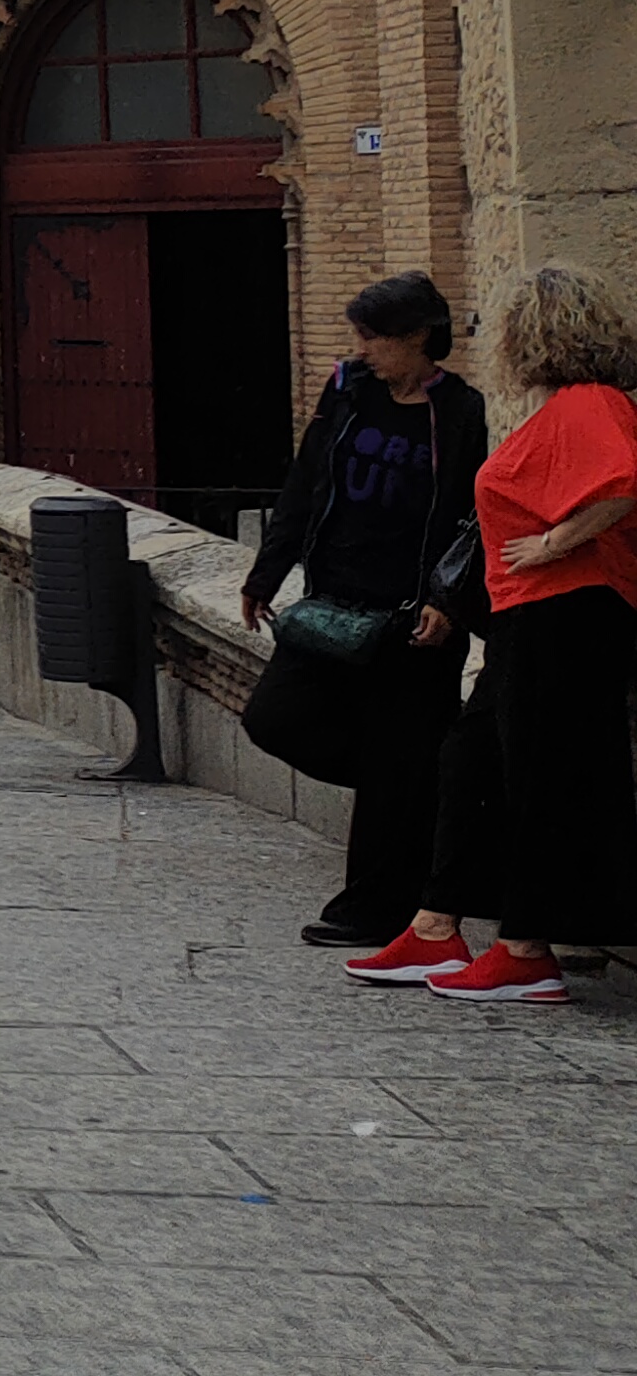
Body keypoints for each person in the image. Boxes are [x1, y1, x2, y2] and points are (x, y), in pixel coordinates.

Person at [348, 265, 637, 1003]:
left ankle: (526, 947)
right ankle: (437, 924)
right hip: (531, 616)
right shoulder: (566, 407)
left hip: (567, 611)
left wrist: (554, 543)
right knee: (470, 761)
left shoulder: (589, 404)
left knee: (539, 775)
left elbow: (625, 482)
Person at [241, 273, 483, 947]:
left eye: (375, 337)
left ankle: (373, 912)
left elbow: (474, 518)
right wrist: (268, 570)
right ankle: (422, 801)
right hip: (333, 602)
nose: (363, 349)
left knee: (401, 759)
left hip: (415, 622)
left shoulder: (463, 411)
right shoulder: (348, 392)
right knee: (276, 720)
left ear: (417, 337)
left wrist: (450, 602)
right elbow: (306, 480)